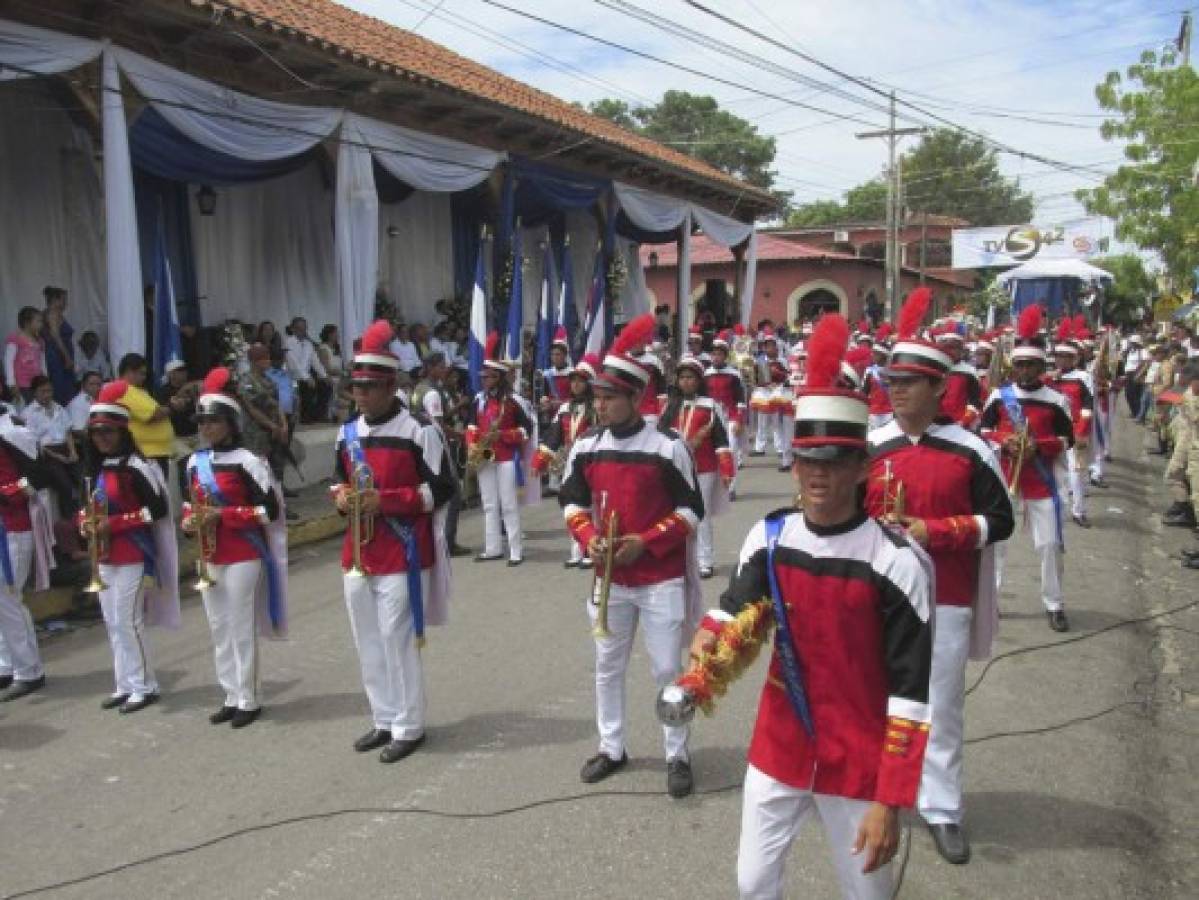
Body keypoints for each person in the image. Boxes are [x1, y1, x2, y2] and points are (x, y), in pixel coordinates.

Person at [689, 314, 933, 899]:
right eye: (808, 461)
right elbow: (733, 607)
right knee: (752, 883)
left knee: (867, 895)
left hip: (860, 758)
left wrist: (891, 798)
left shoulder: (897, 562)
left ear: (861, 467)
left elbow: (911, 694)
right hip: (781, 743)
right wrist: (707, 641)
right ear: (794, 463)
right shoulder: (769, 536)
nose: (819, 475)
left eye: (834, 461)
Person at [864, 291, 1014, 866]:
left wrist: (935, 529)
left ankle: (943, 806)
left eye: (907, 381)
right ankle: (883, 792)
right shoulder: (871, 446)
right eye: (890, 380)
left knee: (941, 705)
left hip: (946, 598)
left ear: (938, 387)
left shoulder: (972, 450)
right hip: (879, 597)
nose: (895, 389)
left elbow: (1000, 521)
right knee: (878, 697)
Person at [558, 313, 703, 799]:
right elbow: (572, 502)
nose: (599, 403)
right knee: (607, 666)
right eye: (596, 396)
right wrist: (586, 537)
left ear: (635, 397)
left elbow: (692, 511)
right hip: (609, 579)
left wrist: (648, 540)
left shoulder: (667, 447)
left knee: (667, 670)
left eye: (609, 396)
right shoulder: (585, 447)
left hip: (659, 577)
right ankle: (612, 746)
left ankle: (676, 752)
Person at [331, 320, 455, 764]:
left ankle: (409, 724)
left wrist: (384, 501)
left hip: (403, 551)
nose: (360, 395)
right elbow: (338, 482)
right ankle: (382, 717)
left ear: (389, 387)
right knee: (367, 640)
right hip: (359, 552)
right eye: (356, 388)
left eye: (369, 388)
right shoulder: (347, 434)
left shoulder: (419, 429)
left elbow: (441, 490)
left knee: (397, 640)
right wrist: (344, 498)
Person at [183, 367, 288, 729]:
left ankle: (249, 696)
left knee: (241, 625)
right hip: (210, 554)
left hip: (244, 552)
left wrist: (223, 515)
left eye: (213, 421)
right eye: (201, 422)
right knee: (218, 627)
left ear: (229, 422)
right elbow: (190, 505)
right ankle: (229, 693)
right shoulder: (193, 464)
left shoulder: (248, 461)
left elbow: (268, 511)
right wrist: (189, 521)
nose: (206, 428)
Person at [78, 380, 180, 713]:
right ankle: (124, 683)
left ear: (122, 431)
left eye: (108, 432)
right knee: (112, 621)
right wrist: (86, 519)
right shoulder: (96, 471)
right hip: (105, 554)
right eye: (96, 433)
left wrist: (116, 523)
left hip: (134, 552)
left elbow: (159, 510)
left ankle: (145, 685)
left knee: (128, 620)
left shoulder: (139, 467)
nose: (102, 438)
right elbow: (95, 505)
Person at [980, 305, 1074, 632]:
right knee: (996, 545)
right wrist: (1003, 440)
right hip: (1004, 478)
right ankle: (990, 603)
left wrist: (1041, 446)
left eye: (1031, 364)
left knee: (1049, 544)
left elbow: (1068, 440)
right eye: (1019, 364)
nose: (1025, 370)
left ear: (1041, 366)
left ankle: (1054, 603)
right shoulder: (998, 397)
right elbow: (982, 432)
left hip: (1041, 480)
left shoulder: (1056, 400)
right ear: (1013, 365)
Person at [658, 356, 735, 579]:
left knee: (702, 516)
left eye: (690, 378)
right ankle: (677, 558)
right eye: (682, 377)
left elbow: (721, 441)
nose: (686, 382)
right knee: (674, 515)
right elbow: (660, 437)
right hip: (675, 469)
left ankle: (705, 560)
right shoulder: (669, 406)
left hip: (704, 469)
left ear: (699, 380)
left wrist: (727, 469)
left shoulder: (710, 406)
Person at [0, 403, 53, 702]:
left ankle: (29, 670)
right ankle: (7, 665)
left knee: (8, 598)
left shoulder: (13, 433)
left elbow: (35, 479)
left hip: (11, 527)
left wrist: (5, 492)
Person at [467, 333, 533, 566]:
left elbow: (527, 429)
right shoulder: (478, 400)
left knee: (508, 504)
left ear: (500, 378)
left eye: (490, 377)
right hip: (485, 456)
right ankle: (492, 548)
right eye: (484, 377)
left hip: (505, 456)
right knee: (489, 504)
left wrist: (504, 435)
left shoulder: (512, 401)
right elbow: (471, 425)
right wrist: (473, 443)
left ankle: (516, 550)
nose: (485, 380)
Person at [533, 353, 599, 567]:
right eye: (573, 381)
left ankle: (592, 550)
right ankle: (577, 550)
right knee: (571, 506)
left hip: (594, 462)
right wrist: (539, 461)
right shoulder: (564, 409)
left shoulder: (598, 408)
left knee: (593, 507)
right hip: (571, 464)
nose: (576, 385)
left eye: (580, 381)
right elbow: (553, 436)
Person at [412, 352, 468, 557]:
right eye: (442, 366)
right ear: (432, 367)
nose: (445, 370)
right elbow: (439, 426)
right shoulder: (433, 393)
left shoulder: (418, 388)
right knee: (452, 492)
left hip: (420, 446)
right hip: (436, 446)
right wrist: (461, 436)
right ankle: (448, 542)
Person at [1047, 324, 1096, 528]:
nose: (1061, 360)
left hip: (1076, 431)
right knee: (1055, 473)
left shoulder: (1083, 377)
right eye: (1058, 356)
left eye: (1065, 357)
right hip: (1055, 433)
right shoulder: (1050, 378)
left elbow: (1087, 406)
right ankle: (1055, 510)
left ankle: (1078, 510)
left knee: (1077, 473)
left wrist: (1082, 432)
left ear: (1073, 359)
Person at [22, 375, 78, 517]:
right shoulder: (28, 414)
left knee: (83, 478)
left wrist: (72, 452)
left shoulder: (58, 407)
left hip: (65, 449)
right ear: (35, 392)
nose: (47, 395)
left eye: (49, 391)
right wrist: (58, 456)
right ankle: (69, 519)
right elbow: (34, 443)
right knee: (66, 486)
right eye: (43, 391)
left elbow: (67, 432)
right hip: (47, 455)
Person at [115, 353, 176, 480]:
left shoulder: (137, 391)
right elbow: (154, 414)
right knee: (154, 495)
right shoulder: (125, 390)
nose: (144, 377)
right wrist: (172, 406)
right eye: (141, 373)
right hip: (147, 453)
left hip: (155, 452)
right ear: (129, 371)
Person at [705, 330, 747, 477]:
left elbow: (740, 399)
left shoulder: (734, 374)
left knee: (731, 450)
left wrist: (739, 420)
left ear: (725, 356)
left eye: (719, 354)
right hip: (711, 419)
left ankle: (731, 486)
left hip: (730, 418)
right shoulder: (705, 374)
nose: (716, 357)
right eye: (713, 354)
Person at [751, 330, 793, 471]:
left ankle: (780, 447)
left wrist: (779, 378)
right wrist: (765, 384)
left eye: (772, 346)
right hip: (764, 393)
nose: (770, 348)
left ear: (776, 347)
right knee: (762, 422)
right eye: (767, 346)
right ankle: (759, 447)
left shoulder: (782, 361)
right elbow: (757, 378)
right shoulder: (761, 361)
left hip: (778, 393)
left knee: (777, 423)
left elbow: (789, 377)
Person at [934, 326, 982, 429]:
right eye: (946, 347)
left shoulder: (970, 371)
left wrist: (965, 420)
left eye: (953, 347)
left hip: (960, 423)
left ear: (961, 350)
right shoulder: (935, 368)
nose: (950, 351)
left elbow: (975, 401)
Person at [284, 317, 330, 424]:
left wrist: (324, 375)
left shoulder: (308, 344)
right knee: (306, 386)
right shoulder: (288, 342)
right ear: (293, 329)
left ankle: (318, 415)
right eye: (299, 328)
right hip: (293, 376)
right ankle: (305, 417)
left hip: (306, 376)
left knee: (325, 385)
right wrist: (307, 377)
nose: (303, 331)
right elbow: (293, 364)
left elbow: (315, 361)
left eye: (304, 328)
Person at [42, 286, 76, 406]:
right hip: (58, 355)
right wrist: (66, 357)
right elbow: (56, 336)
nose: (65, 303)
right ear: (55, 300)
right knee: (61, 387)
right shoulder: (53, 313)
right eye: (63, 300)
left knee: (64, 386)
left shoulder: (55, 313)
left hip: (60, 354)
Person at [5, 306, 46, 404]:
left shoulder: (40, 341)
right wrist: (11, 383)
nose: (42, 324)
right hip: (22, 385)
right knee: (25, 410)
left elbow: (42, 362)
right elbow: (8, 361)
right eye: (39, 321)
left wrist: (45, 378)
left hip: (37, 384)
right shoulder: (15, 339)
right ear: (27, 323)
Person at [158, 359, 199, 440]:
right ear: (171, 374)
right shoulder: (163, 392)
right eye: (180, 370)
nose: (184, 372)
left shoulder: (193, 387)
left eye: (184, 370)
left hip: (196, 434)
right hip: (176, 437)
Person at [317, 324, 344, 421]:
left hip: (339, 380)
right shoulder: (323, 348)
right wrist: (342, 373)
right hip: (328, 380)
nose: (338, 336)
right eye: (335, 333)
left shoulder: (337, 349)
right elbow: (326, 368)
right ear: (329, 335)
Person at [68, 370, 102, 443]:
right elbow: (78, 431)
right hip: (85, 444)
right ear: (83, 385)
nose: (96, 387)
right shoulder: (78, 403)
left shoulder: (99, 399)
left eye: (98, 384)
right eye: (92, 384)